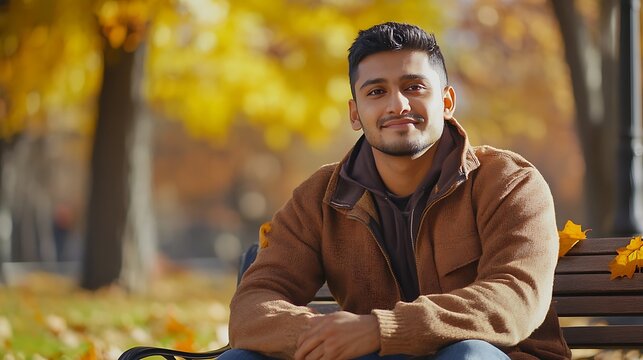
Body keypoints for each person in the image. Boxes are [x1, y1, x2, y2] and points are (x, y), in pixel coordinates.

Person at [220, 22, 571, 360]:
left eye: (414, 87)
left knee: (469, 355)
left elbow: (515, 298)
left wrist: (380, 330)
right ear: (355, 113)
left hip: (497, 354)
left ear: (447, 101)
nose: (398, 105)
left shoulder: (508, 182)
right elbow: (252, 304)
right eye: (376, 92)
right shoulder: (319, 198)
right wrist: (318, 335)